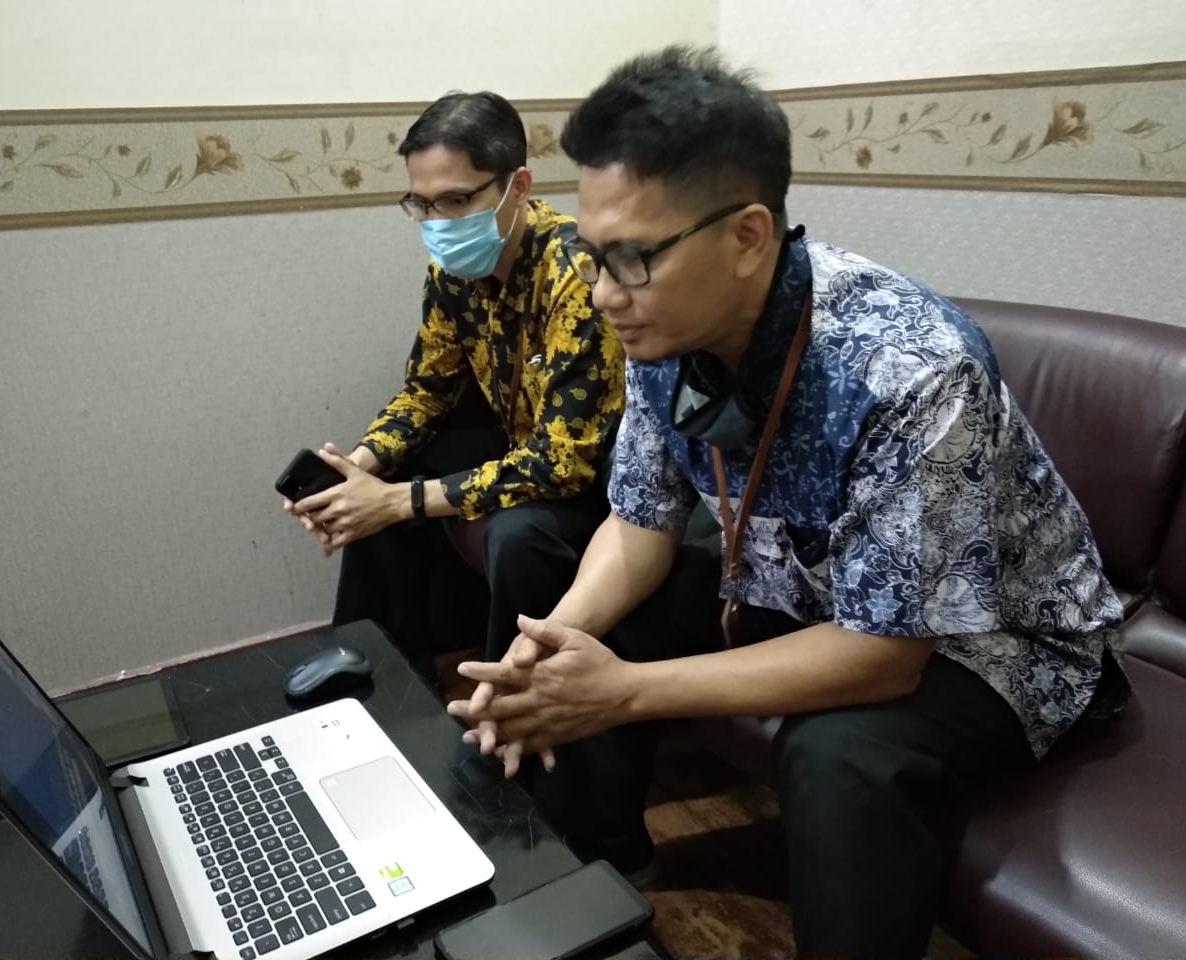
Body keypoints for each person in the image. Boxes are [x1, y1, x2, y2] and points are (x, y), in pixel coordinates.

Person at [447, 47, 1129, 959]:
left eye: (632, 259)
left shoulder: (912, 370)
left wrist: (622, 694)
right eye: (593, 258)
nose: (604, 294)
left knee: (838, 755)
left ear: (747, 236)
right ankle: (595, 886)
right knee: (583, 625)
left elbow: (882, 657)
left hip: (991, 641)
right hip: (802, 591)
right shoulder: (660, 330)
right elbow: (639, 526)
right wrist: (550, 648)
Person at [284, 91, 625, 678]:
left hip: (594, 479)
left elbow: (563, 465)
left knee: (517, 536)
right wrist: (356, 471)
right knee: (377, 479)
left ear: (518, 186)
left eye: (458, 200)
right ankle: (376, 679)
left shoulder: (576, 274)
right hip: (521, 448)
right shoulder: (454, 271)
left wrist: (399, 503)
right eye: (423, 205)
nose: (439, 222)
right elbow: (427, 391)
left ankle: (509, 700)